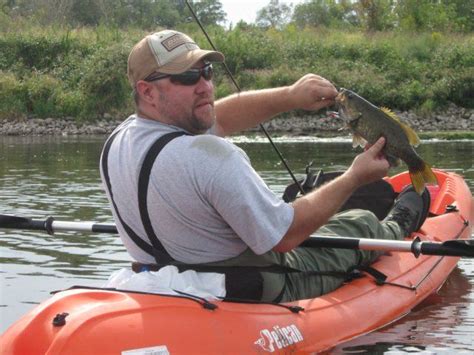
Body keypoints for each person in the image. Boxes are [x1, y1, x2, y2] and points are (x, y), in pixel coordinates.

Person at [100, 30, 430, 302]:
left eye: (207, 72)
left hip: (167, 278)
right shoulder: (210, 157)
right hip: (256, 285)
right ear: (147, 91)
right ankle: (401, 221)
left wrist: (290, 95)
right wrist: (354, 177)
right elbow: (286, 237)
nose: (205, 86)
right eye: (187, 77)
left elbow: (220, 116)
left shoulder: (118, 142)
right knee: (360, 222)